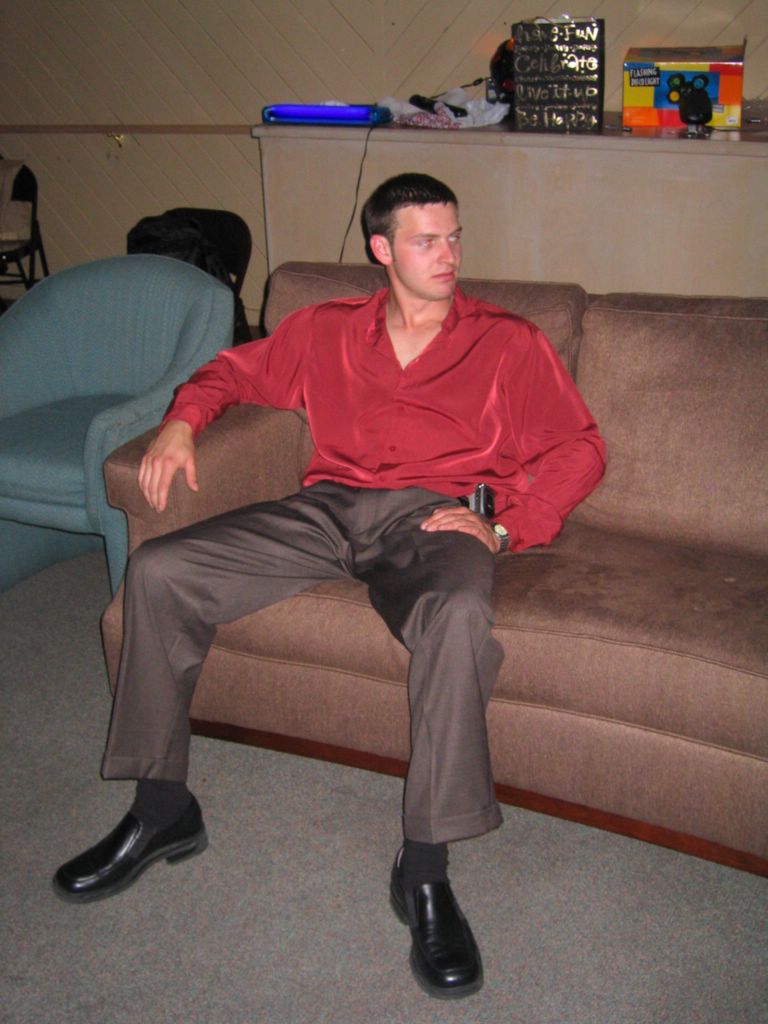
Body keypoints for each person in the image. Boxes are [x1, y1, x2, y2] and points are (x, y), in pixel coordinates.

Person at [53, 173, 605, 999]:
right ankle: (162, 808)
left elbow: (579, 447)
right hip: (329, 508)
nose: (449, 254)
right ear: (382, 248)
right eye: (427, 240)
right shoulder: (326, 329)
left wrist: (502, 527)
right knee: (161, 569)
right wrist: (180, 424)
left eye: (454, 236)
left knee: (457, 613)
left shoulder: (508, 343)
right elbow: (231, 371)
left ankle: (424, 869)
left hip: (435, 519)